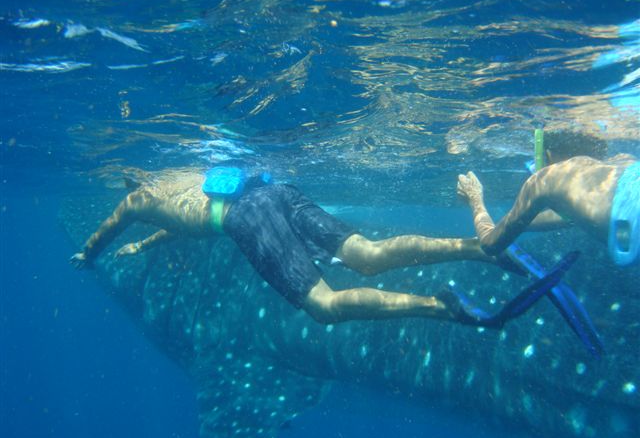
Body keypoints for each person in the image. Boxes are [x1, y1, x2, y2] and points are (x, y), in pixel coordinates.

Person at [70, 168, 528, 327]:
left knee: (324, 305)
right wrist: (147, 246)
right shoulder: (182, 178)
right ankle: (478, 246)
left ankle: (439, 307)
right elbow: (183, 224)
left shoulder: (135, 200)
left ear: (132, 185)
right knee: (365, 254)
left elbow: (106, 230)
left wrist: (88, 255)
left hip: (245, 218)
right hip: (276, 192)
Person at [457, 130, 639, 266]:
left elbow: (491, 245)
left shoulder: (546, 177)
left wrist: (475, 198)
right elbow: (565, 218)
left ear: (547, 153)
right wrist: (509, 224)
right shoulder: (622, 161)